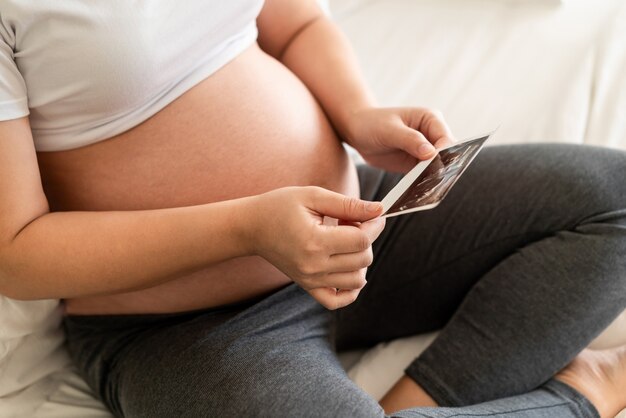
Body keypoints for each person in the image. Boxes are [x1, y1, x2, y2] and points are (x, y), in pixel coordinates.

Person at [1, 1, 625, 417]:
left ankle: (415, 406)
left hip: (362, 216)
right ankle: (581, 395)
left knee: (614, 201)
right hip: (184, 325)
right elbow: (15, 251)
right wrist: (249, 227)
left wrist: (359, 113)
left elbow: (294, 23)